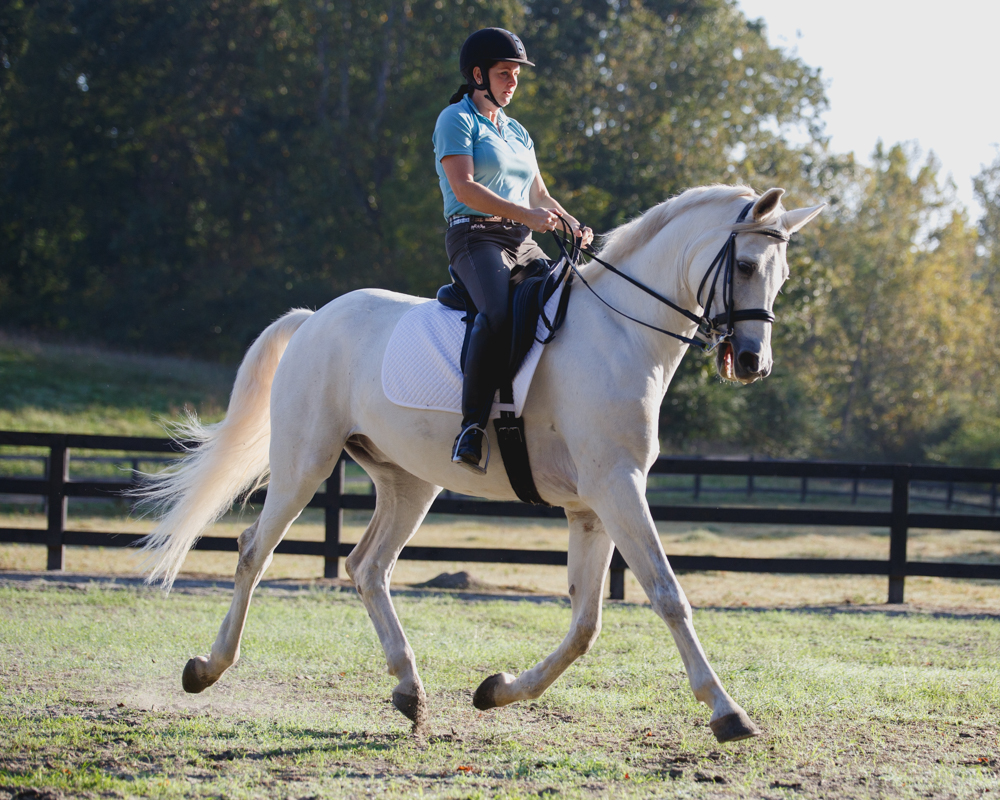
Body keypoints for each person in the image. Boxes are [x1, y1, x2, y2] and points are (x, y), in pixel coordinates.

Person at [433, 27, 594, 474]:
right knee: (499, 314)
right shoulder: (457, 119)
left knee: (566, 299)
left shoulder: (519, 132)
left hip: (520, 241)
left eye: (516, 74)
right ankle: (471, 428)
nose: (513, 82)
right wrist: (526, 216)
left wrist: (570, 223)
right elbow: (465, 188)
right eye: (505, 73)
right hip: (474, 236)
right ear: (478, 74)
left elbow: (539, 195)